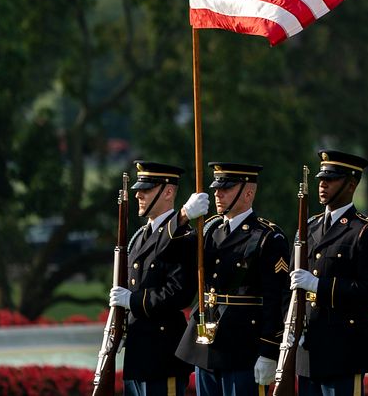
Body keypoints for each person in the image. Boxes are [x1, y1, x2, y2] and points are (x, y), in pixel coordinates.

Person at [175, 162, 291, 395]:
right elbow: (169, 254)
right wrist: (183, 217)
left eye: (225, 188)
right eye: (216, 188)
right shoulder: (209, 229)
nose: (217, 193)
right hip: (206, 343)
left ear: (248, 193)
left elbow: (276, 299)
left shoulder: (267, 237)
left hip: (243, 347)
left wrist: (270, 351)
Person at [292, 150, 368, 396]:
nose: (322, 185)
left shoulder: (365, 232)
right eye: (320, 179)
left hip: (344, 349)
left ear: (351, 184)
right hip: (308, 348)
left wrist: (320, 286)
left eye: (331, 179)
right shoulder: (309, 227)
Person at [108, 160, 210, 396]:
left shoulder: (184, 237)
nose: (139, 196)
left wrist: (132, 301)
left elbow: (178, 294)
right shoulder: (141, 236)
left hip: (162, 355)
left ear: (168, 192)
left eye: (146, 190)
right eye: (138, 190)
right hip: (137, 354)